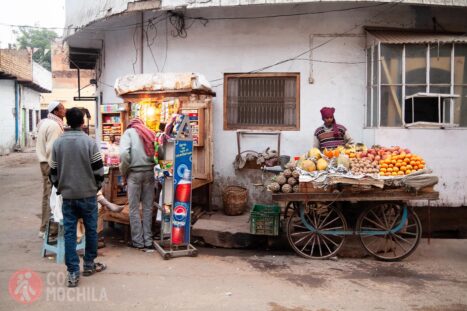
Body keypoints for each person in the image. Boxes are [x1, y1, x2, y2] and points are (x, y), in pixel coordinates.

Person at [49, 108, 106, 287]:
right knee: (91, 230)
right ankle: (89, 264)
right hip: (88, 195)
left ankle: (73, 272)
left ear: (67, 121)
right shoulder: (89, 143)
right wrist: (96, 187)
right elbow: (99, 171)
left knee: (70, 234)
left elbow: (53, 172)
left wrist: (61, 187)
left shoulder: (58, 144)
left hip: (68, 196)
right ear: (82, 122)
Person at [119, 118, 156, 250]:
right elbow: (160, 152)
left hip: (134, 174)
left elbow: (123, 153)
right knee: (147, 208)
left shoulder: (128, 133)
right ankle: (148, 240)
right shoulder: (150, 132)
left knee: (134, 208)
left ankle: (138, 242)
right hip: (149, 173)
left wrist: (123, 170)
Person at [36, 101, 66, 239]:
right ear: (55, 112)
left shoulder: (46, 123)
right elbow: (53, 150)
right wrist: (57, 168)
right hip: (50, 164)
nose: (64, 110)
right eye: (62, 109)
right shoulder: (54, 126)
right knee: (53, 197)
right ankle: (50, 231)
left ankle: (44, 228)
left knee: (47, 195)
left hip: (45, 163)